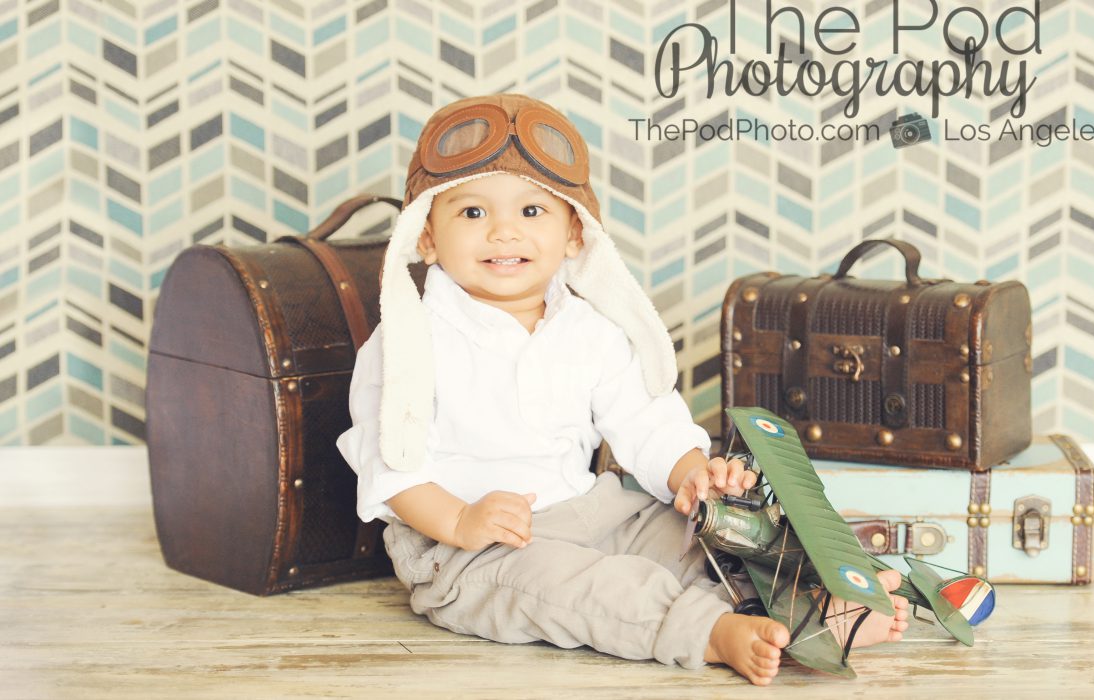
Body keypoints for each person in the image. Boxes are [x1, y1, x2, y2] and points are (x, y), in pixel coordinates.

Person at [336, 93, 907, 686]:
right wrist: (461, 522)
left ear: (575, 233)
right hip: (467, 548)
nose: (504, 232)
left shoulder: (589, 330)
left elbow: (646, 421)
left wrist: (692, 473)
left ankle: (809, 607)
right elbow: (393, 469)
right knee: (580, 588)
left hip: (591, 511)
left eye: (533, 212)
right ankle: (707, 632)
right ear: (426, 237)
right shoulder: (407, 343)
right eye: (473, 213)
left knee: (695, 536)